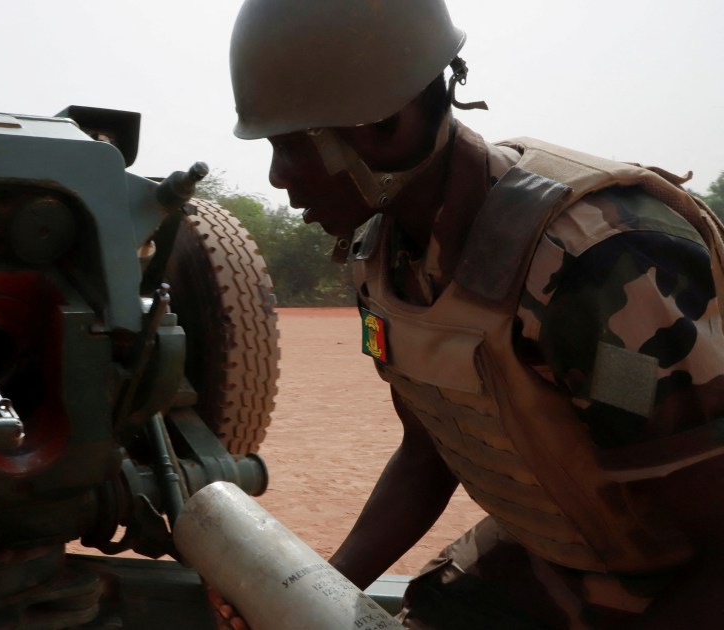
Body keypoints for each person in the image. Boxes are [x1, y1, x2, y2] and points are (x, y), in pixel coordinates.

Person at [228, 0, 724, 628]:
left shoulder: (596, 265)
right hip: (555, 550)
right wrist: (306, 597)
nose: (278, 178)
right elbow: (428, 450)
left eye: (293, 145)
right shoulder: (382, 252)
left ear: (385, 125)